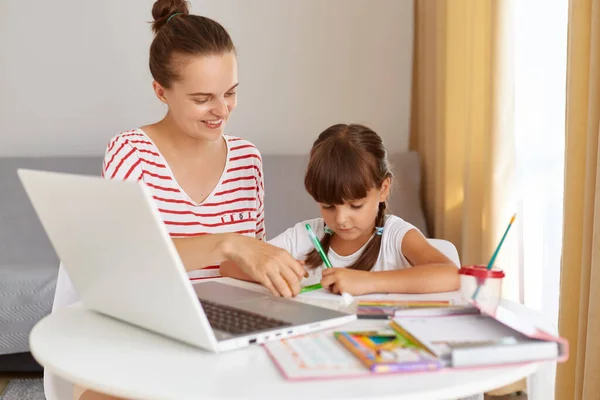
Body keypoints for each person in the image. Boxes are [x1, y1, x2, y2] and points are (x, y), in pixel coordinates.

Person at [46, 1, 307, 399]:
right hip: (141, 328)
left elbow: (240, 268)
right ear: (161, 91)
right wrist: (225, 242)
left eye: (231, 92)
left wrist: (276, 268)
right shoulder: (131, 152)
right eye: (203, 98)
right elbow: (123, 260)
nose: (222, 110)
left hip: (221, 329)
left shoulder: (247, 160)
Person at [221, 123, 460, 295]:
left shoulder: (395, 236)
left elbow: (451, 274)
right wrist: (277, 272)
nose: (341, 219)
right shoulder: (306, 237)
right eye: (328, 206)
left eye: (355, 205)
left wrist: (369, 282)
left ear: (383, 188)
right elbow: (229, 267)